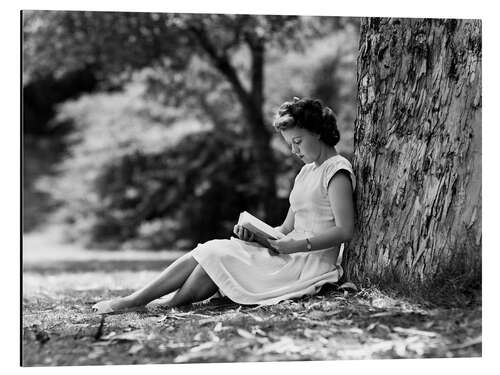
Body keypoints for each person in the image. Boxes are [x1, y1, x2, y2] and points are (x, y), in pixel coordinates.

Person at [92, 97, 356, 314]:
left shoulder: (336, 171)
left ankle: (155, 303)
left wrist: (297, 245)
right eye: (290, 145)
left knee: (218, 257)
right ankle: (144, 301)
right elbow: (287, 227)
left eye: (298, 142)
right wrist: (257, 236)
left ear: (317, 132)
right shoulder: (306, 172)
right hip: (288, 251)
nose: (294, 151)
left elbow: (345, 231)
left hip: (307, 264)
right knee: (214, 250)